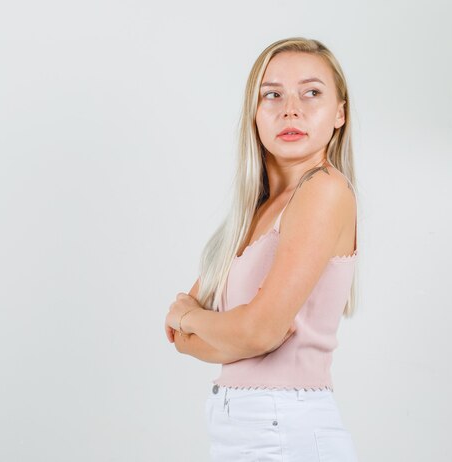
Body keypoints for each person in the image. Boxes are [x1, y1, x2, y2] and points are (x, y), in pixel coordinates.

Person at [164, 37, 360, 462]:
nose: (291, 109)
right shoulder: (255, 211)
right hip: (245, 430)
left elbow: (257, 331)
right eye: (272, 94)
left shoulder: (324, 190)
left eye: (311, 93)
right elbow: (184, 340)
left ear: (339, 113)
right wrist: (228, 330)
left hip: (284, 431)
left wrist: (195, 316)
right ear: (254, 113)